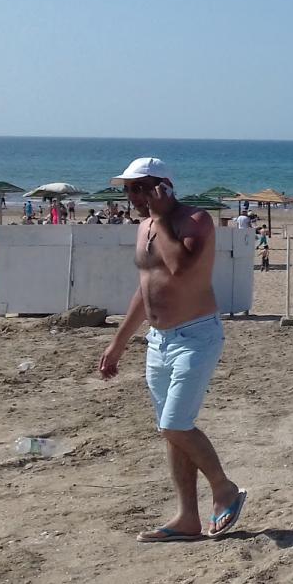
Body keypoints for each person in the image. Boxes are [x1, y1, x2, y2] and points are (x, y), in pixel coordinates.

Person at [97, 157, 245, 543]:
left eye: (141, 187)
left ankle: (224, 488)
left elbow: (180, 267)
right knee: (172, 433)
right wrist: (118, 343)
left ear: (164, 186)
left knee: (175, 424)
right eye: (128, 188)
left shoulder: (194, 220)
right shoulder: (144, 226)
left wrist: (162, 217)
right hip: (158, 341)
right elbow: (145, 288)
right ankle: (187, 518)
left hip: (196, 336)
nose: (133, 196)